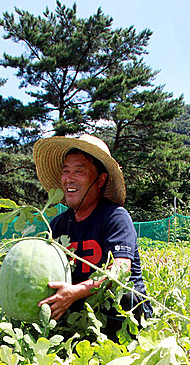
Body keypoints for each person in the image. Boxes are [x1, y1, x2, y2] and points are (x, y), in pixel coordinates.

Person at [33, 134, 152, 337]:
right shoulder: (57, 225)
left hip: (124, 314)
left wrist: (75, 292)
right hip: (80, 314)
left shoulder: (116, 217)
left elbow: (119, 271)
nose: (69, 178)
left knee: (123, 297)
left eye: (79, 171)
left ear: (100, 180)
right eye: (65, 171)